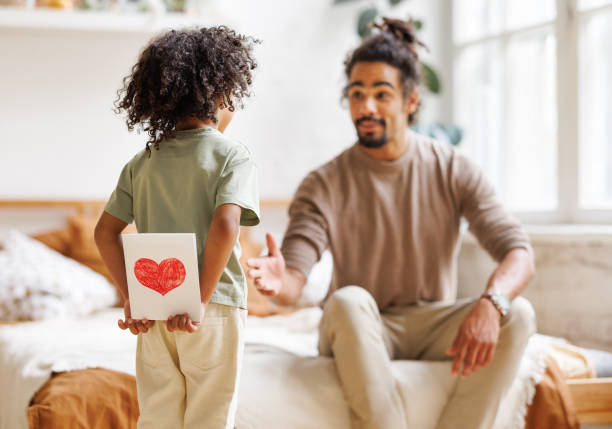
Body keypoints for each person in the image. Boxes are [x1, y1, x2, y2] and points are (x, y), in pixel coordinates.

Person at [247, 18, 535, 429]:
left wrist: (492, 304)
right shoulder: (322, 183)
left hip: (430, 323)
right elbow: (293, 278)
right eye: (356, 94)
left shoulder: (452, 168)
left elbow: (519, 253)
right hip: (361, 327)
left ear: (411, 100)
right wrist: (281, 283)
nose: (366, 108)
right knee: (347, 300)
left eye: (381, 94)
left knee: (517, 314)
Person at [94, 27, 260, 429]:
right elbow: (225, 225)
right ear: (220, 92)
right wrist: (199, 300)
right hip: (213, 306)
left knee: (158, 414)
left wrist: (133, 296)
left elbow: (104, 232)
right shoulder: (232, 155)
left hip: (154, 307)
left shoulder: (143, 162)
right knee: (210, 415)